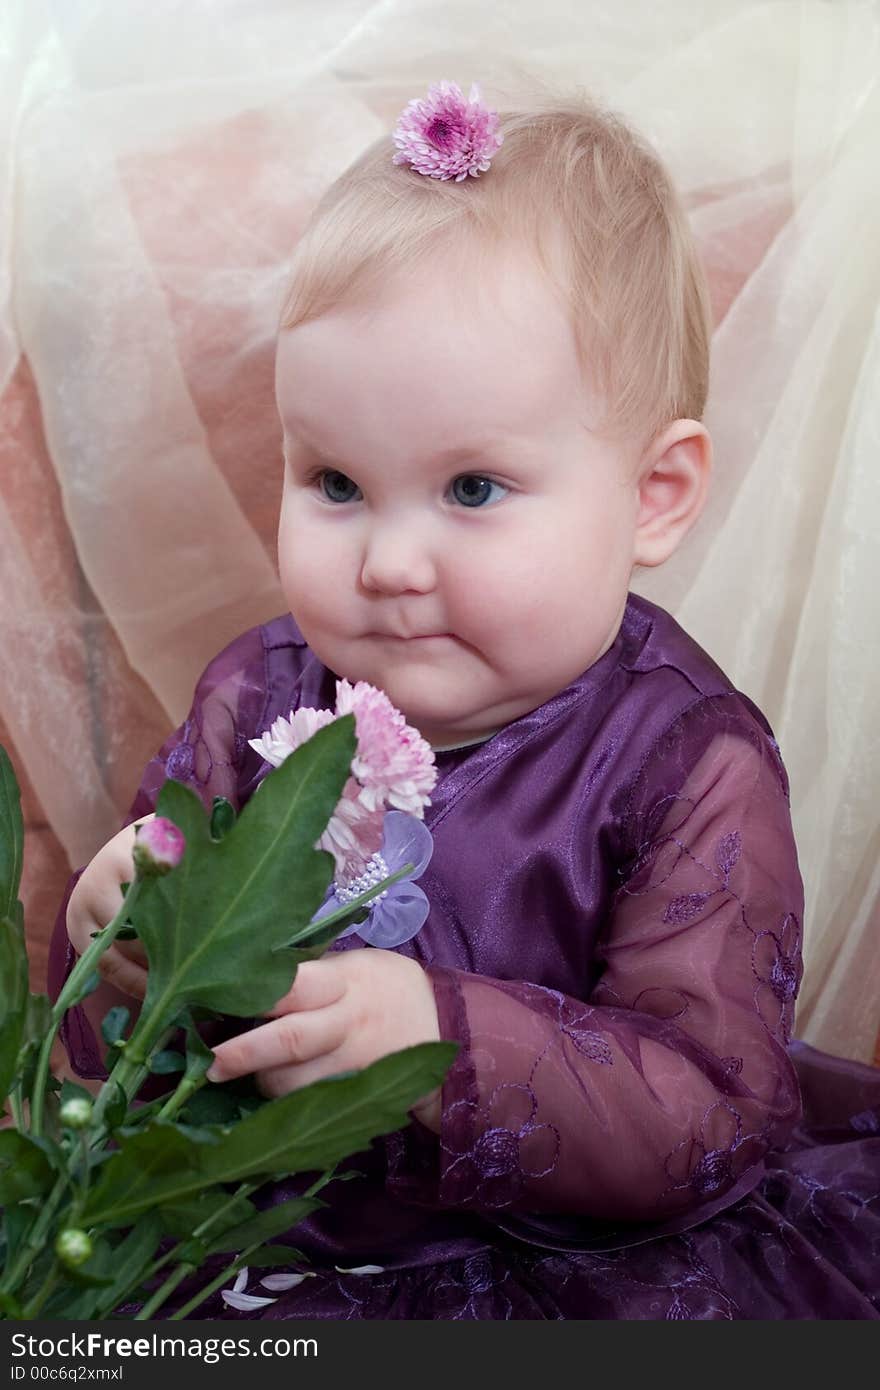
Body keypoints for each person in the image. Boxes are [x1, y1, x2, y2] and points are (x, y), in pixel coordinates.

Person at [50, 81, 880, 1320]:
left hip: (569, 1264)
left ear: (653, 494)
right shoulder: (257, 695)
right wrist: (116, 949)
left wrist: (437, 1038)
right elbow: (132, 1082)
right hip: (262, 1243)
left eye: (474, 489)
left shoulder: (683, 761)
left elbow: (713, 1115)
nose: (388, 563)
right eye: (333, 479)